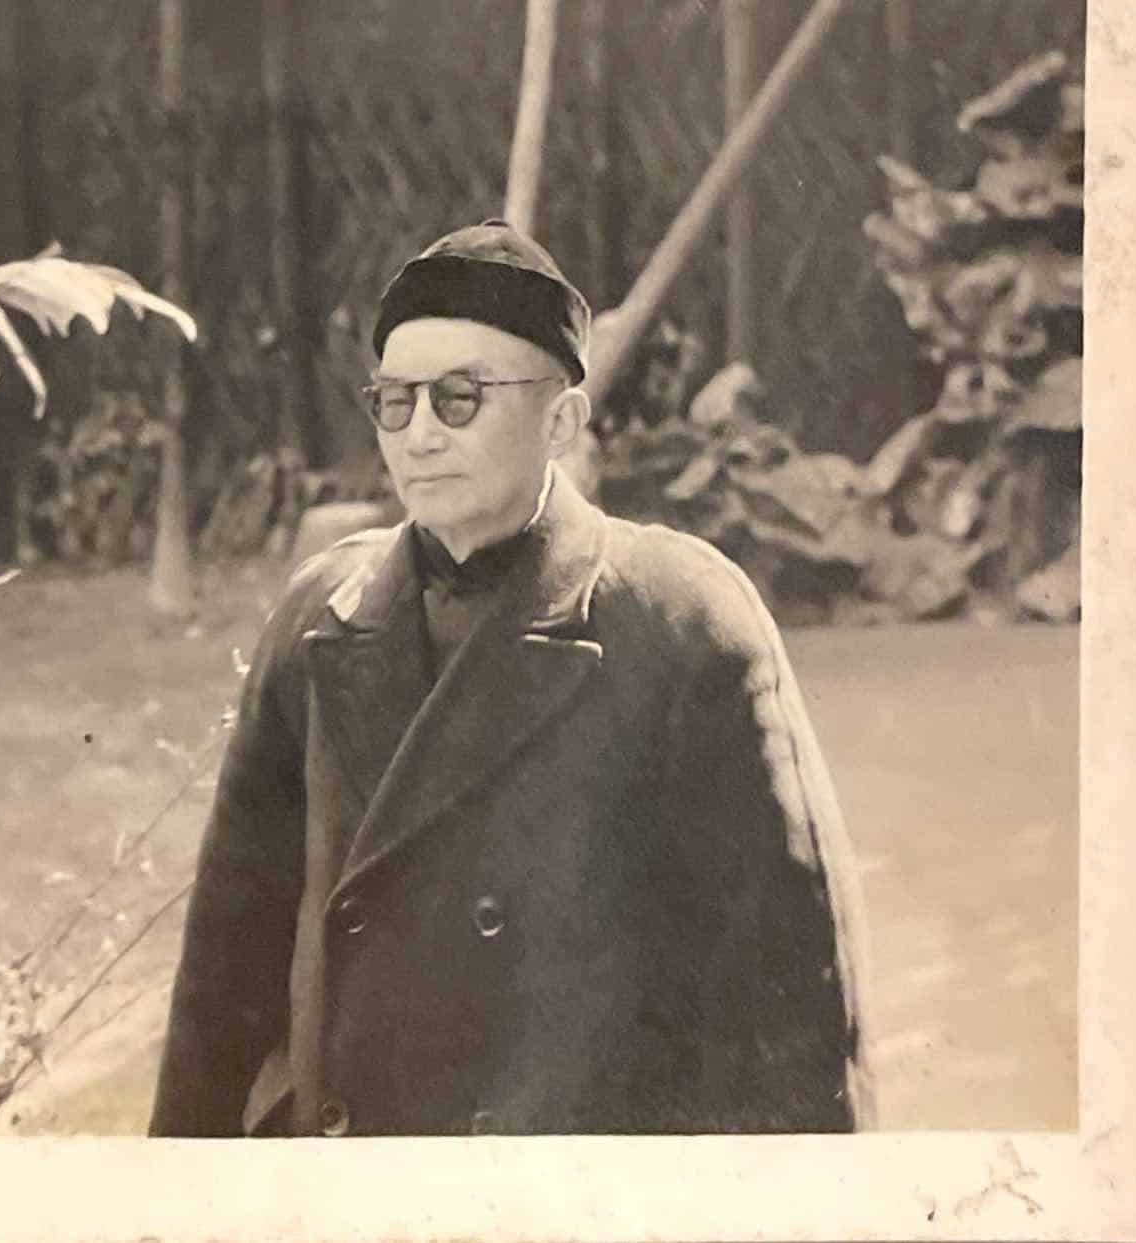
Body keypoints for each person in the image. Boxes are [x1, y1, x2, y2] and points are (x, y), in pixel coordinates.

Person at [149, 220, 874, 1138]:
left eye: (459, 398)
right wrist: (179, 1192)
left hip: (583, 1186)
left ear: (560, 421)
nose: (419, 434)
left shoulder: (680, 620)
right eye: (394, 402)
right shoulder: (317, 616)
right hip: (352, 1184)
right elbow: (224, 974)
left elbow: (792, 998)